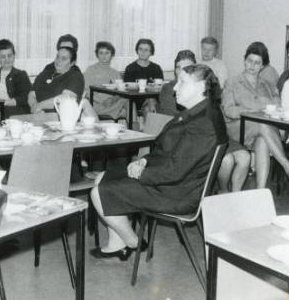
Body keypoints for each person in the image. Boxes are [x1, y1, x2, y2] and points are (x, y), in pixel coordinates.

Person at [89, 63, 227, 259]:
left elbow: (176, 170)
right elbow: (167, 151)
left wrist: (141, 172)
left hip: (177, 193)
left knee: (97, 192)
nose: (175, 87)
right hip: (172, 181)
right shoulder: (199, 112)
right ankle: (116, 244)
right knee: (101, 178)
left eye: (182, 82)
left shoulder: (203, 123)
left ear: (201, 87)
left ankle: (133, 242)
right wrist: (144, 161)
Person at [159, 50, 250, 193]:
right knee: (227, 160)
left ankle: (236, 194)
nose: (182, 70)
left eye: (187, 67)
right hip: (189, 135)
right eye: (178, 67)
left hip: (209, 132)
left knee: (245, 157)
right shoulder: (170, 89)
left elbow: (214, 113)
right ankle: (223, 190)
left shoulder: (203, 87)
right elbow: (175, 120)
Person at [222, 43, 289, 188]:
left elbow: (277, 105)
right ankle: (288, 167)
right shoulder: (232, 82)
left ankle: (260, 191)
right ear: (244, 61)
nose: (252, 65)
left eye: (257, 63)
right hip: (239, 127)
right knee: (263, 124)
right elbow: (229, 110)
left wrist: (265, 105)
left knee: (263, 140)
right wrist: (253, 109)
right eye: (249, 61)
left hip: (262, 131)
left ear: (262, 66)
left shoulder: (267, 84)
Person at [0, 39, 32, 125]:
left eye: (9, 55)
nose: (7, 59)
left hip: (15, 111)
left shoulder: (21, 74)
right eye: (3, 57)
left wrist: (2, 104)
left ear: (14, 56)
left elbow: (26, 97)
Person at [29, 46, 85, 113]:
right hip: (37, 113)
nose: (58, 60)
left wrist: (40, 106)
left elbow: (65, 98)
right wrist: (34, 107)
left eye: (64, 58)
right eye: (57, 57)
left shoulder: (75, 76)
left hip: (59, 116)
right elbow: (31, 94)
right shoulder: (45, 73)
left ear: (72, 63)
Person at [83, 41, 127, 120]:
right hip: (96, 105)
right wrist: (103, 101)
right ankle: (136, 130)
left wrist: (113, 100)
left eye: (107, 53)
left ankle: (135, 130)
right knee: (128, 108)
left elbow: (121, 92)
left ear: (111, 55)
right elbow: (87, 91)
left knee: (129, 103)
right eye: (101, 53)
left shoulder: (115, 73)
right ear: (97, 55)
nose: (104, 56)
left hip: (112, 103)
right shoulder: (90, 70)